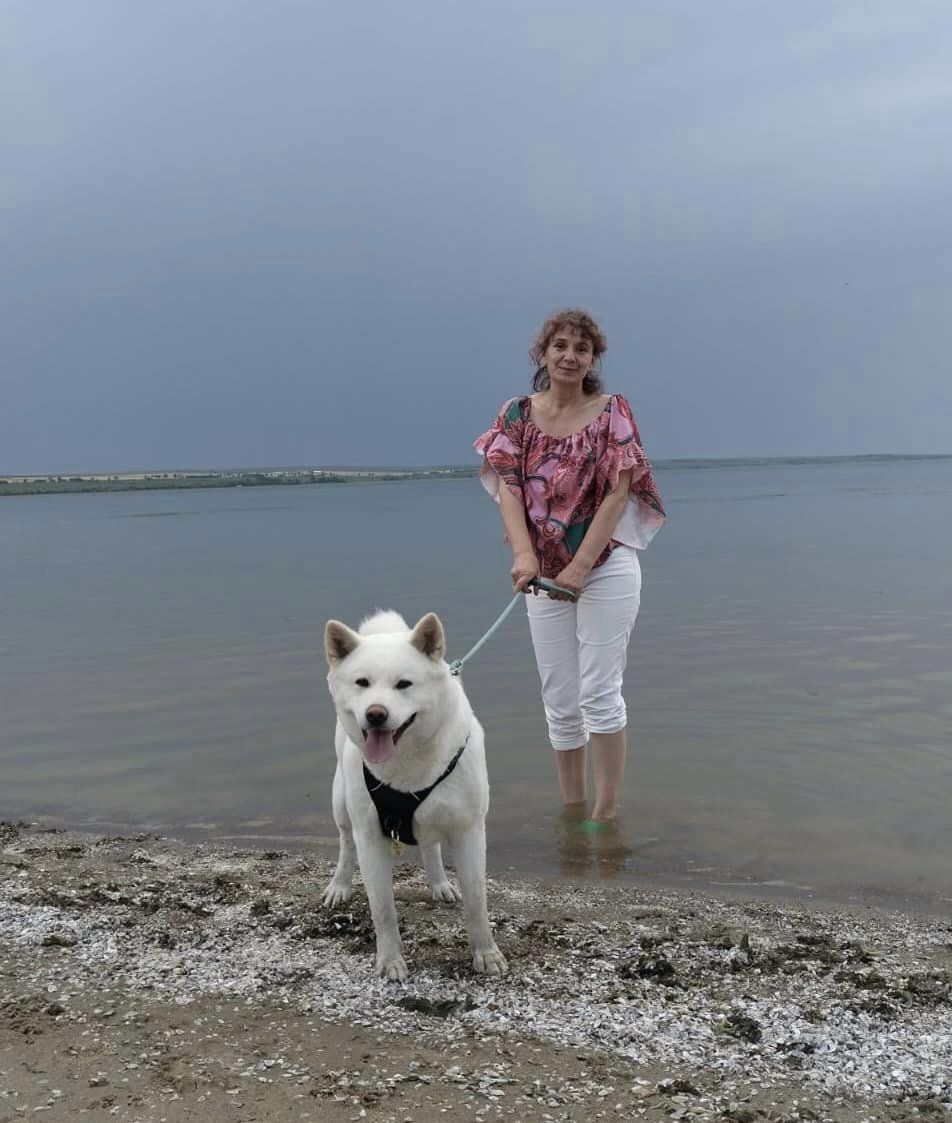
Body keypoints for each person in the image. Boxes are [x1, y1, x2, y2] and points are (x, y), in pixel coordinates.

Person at [474, 308, 665, 824]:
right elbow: (509, 489)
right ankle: (572, 813)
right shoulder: (516, 414)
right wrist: (523, 555)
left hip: (604, 567)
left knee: (599, 694)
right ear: (543, 352)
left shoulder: (612, 412)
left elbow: (619, 493)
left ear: (593, 359)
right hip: (542, 574)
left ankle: (604, 820)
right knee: (560, 702)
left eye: (582, 348)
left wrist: (580, 568)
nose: (569, 356)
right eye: (560, 345)